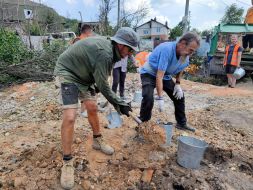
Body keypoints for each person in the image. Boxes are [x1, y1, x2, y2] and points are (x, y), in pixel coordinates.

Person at [54, 27, 139, 189]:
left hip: (84, 77)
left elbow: (102, 79)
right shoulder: (105, 53)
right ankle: (67, 161)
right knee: (71, 116)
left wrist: (104, 93)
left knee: (92, 107)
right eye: (130, 49)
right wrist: (121, 104)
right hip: (68, 73)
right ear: (121, 45)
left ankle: (98, 140)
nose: (130, 54)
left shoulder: (113, 51)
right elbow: (104, 85)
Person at [139, 32, 200, 132]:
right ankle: (143, 122)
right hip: (149, 73)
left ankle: (181, 123)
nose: (191, 53)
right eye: (190, 50)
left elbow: (181, 68)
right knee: (148, 97)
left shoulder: (185, 55)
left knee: (179, 97)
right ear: (183, 43)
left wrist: (178, 84)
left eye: (193, 51)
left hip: (165, 75)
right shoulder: (167, 50)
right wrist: (160, 97)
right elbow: (159, 76)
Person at [72, 24, 94, 117]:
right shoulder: (78, 41)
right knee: (83, 90)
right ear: (88, 32)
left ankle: (86, 109)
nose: (92, 34)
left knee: (88, 90)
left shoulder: (84, 41)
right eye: (91, 32)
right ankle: (82, 111)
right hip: (78, 71)